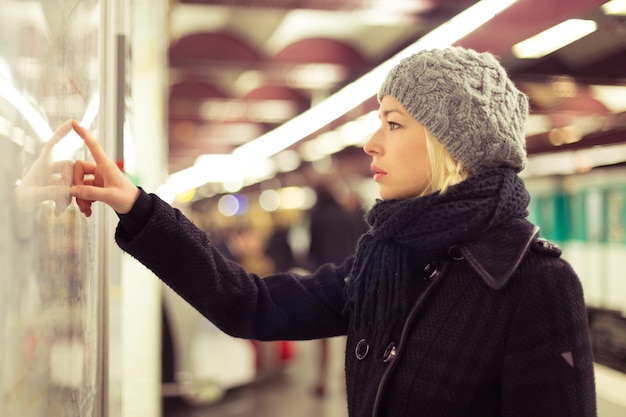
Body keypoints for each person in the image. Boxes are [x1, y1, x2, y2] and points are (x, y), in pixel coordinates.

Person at [69, 46, 597, 417]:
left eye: (393, 123)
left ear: (449, 146)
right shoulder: (384, 263)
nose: (372, 142)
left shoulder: (535, 285)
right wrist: (137, 207)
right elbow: (248, 305)